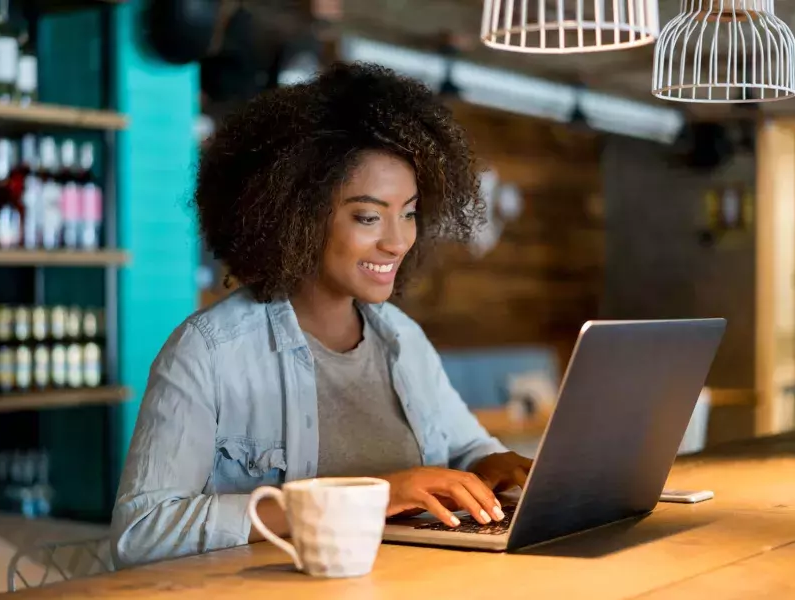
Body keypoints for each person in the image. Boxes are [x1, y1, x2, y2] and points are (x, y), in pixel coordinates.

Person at [111, 62, 533, 569]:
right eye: (368, 216)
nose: (397, 240)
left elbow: (467, 447)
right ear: (297, 214)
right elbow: (139, 532)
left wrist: (500, 465)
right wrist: (371, 496)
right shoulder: (209, 351)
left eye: (409, 212)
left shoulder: (402, 339)